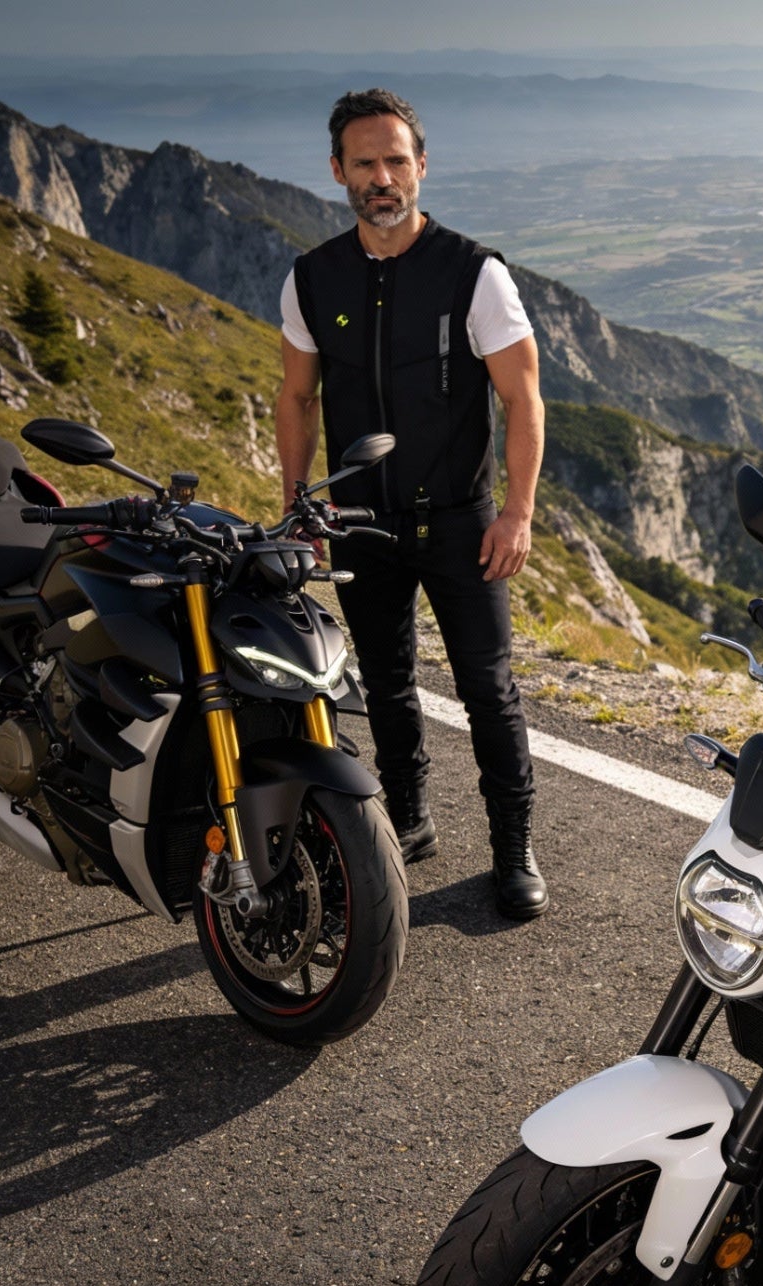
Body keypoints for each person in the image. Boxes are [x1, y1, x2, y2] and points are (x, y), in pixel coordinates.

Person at [275, 88, 548, 920]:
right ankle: (410, 819)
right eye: (365, 163)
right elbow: (296, 399)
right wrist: (299, 505)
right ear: (337, 172)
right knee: (386, 684)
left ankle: (513, 849)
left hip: (463, 522)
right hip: (360, 523)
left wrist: (519, 513)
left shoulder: (475, 273)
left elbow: (525, 397)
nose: (382, 177)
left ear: (422, 167)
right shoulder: (312, 278)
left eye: (397, 160)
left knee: (487, 689)